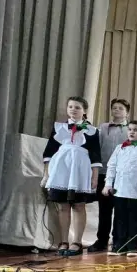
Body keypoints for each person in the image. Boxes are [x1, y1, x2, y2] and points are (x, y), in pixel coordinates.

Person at [42, 96, 102, 257]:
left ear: (84, 110)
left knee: (79, 205)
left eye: (77, 107)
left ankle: (77, 241)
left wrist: (95, 176)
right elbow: (49, 151)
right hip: (61, 169)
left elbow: (95, 154)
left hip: (81, 170)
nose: (73, 110)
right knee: (62, 206)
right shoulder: (59, 127)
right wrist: (47, 174)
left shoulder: (92, 130)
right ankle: (63, 241)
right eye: (70, 107)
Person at [103, 120, 137, 256]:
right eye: (130, 129)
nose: (132, 132)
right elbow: (111, 166)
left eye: (136, 130)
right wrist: (108, 184)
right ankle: (118, 245)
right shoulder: (120, 147)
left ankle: (132, 246)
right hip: (120, 189)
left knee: (135, 218)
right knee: (119, 217)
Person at [90, 98, 131, 253]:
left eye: (120, 108)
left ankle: (118, 241)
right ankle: (101, 240)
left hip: (123, 175)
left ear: (127, 112)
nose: (117, 110)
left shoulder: (130, 129)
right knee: (104, 209)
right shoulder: (103, 127)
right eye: (114, 108)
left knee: (121, 209)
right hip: (104, 173)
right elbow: (96, 148)